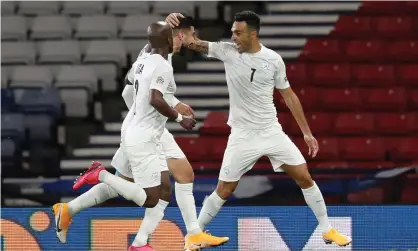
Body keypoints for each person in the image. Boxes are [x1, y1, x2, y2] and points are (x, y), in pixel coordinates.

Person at [166, 11, 352, 247]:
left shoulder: (273, 60)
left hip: (271, 131)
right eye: (232, 32)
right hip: (242, 135)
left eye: (238, 33)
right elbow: (192, 42)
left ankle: (326, 229)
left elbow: (289, 96)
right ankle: (194, 236)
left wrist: (306, 132)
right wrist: (178, 24)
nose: (233, 37)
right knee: (224, 189)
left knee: (304, 176)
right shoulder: (227, 52)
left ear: (253, 34)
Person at [51, 18, 228, 251]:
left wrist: (168, 104)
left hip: (136, 126)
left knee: (139, 183)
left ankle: (71, 210)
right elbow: (142, 94)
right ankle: (183, 235)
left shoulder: (148, 55)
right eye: (186, 35)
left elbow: (134, 87)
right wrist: (171, 115)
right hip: (147, 131)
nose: (188, 40)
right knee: (160, 190)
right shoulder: (162, 62)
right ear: (173, 36)